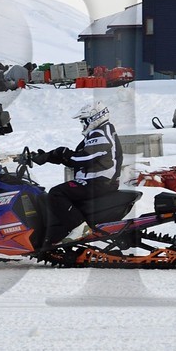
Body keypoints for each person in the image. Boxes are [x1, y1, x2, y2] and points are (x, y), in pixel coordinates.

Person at [28, 101, 123, 247]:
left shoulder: (101, 133)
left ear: (94, 118)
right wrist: (48, 156)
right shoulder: (101, 131)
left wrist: (60, 153)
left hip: (99, 182)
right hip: (98, 180)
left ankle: (79, 228)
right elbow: (77, 157)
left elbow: (83, 158)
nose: (83, 124)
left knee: (56, 193)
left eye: (84, 121)